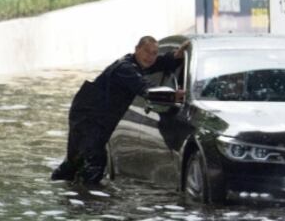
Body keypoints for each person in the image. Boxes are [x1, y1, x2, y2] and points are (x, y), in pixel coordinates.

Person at [51, 36, 188, 184]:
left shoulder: (138, 63)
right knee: (94, 162)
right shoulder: (126, 68)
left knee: (75, 159)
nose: (150, 57)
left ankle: (63, 190)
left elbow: (158, 63)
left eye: (154, 53)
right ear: (137, 49)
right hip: (89, 116)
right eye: (147, 52)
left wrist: (175, 56)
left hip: (91, 113)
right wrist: (173, 96)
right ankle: (89, 201)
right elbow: (145, 88)